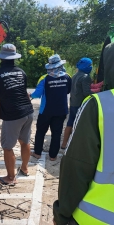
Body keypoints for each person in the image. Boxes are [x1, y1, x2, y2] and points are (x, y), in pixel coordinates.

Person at [53, 43, 114, 225]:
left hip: (95, 218)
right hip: (81, 105)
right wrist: (96, 89)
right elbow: (86, 90)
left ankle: (64, 144)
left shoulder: (78, 77)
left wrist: (61, 213)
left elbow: (76, 167)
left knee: (71, 125)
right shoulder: (86, 81)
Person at [0, 43, 34, 185]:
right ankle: (24, 168)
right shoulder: (21, 72)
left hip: (13, 115)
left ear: (1, 58)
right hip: (28, 112)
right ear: (14, 58)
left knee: (7, 147)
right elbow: (23, 91)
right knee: (25, 142)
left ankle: (11, 178)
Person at [30, 54, 71, 161]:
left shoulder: (45, 78)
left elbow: (36, 94)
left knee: (40, 132)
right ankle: (53, 156)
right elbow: (68, 91)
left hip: (46, 110)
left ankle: (37, 153)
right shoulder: (67, 77)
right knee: (56, 133)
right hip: (61, 110)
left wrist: (29, 95)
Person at [61, 58, 93, 149]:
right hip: (80, 104)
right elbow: (86, 92)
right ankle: (76, 146)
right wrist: (98, 94)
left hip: (73, 102)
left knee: (70, 123)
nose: (90, 67)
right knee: (79, 125)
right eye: (89, 65)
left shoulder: (75, 75)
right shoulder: (86, 77)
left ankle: (64, 143)